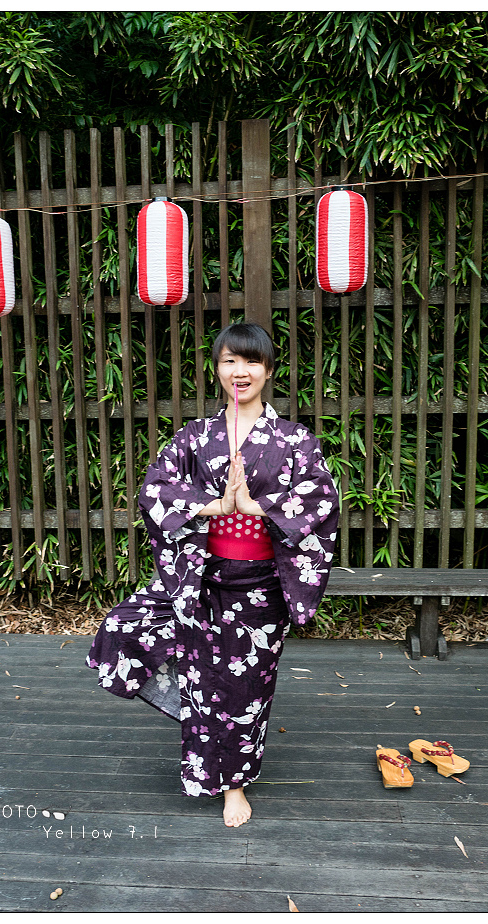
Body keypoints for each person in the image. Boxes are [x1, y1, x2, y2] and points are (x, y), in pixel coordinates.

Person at [86, 322, 339, 827]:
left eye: (251, 361)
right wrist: (216, 506)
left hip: (259, 584)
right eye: (229, 361)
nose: (239, 371)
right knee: (123, 630)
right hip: (200, 576)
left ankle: (233, 787)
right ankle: (194, 711)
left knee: (243, 691)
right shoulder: (194, 436)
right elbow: (155, 491)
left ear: (268, 370)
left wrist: (257, 506)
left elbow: (320, 500)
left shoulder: (294, 439)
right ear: (217, 368)